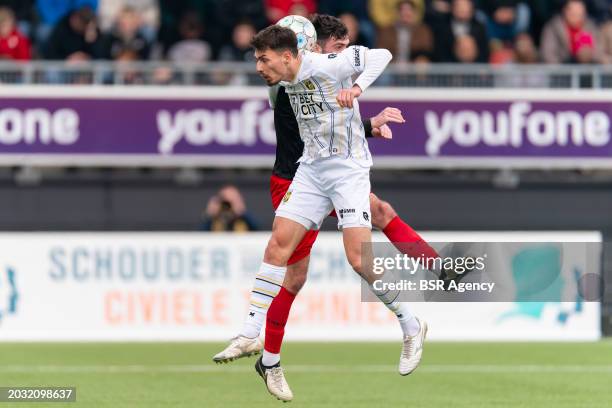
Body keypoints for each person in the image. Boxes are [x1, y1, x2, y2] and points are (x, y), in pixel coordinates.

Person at [213, 20, 426, 401]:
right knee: (277, 246)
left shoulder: (330, 65)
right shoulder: (280, 83)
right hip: (310, 171)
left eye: (263, 60)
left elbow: (383, 54)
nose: (258, 68)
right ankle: (249, 333)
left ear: (288, 56)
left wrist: (358, 88)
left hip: (348, 171)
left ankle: (411, 324)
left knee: (359, 259)